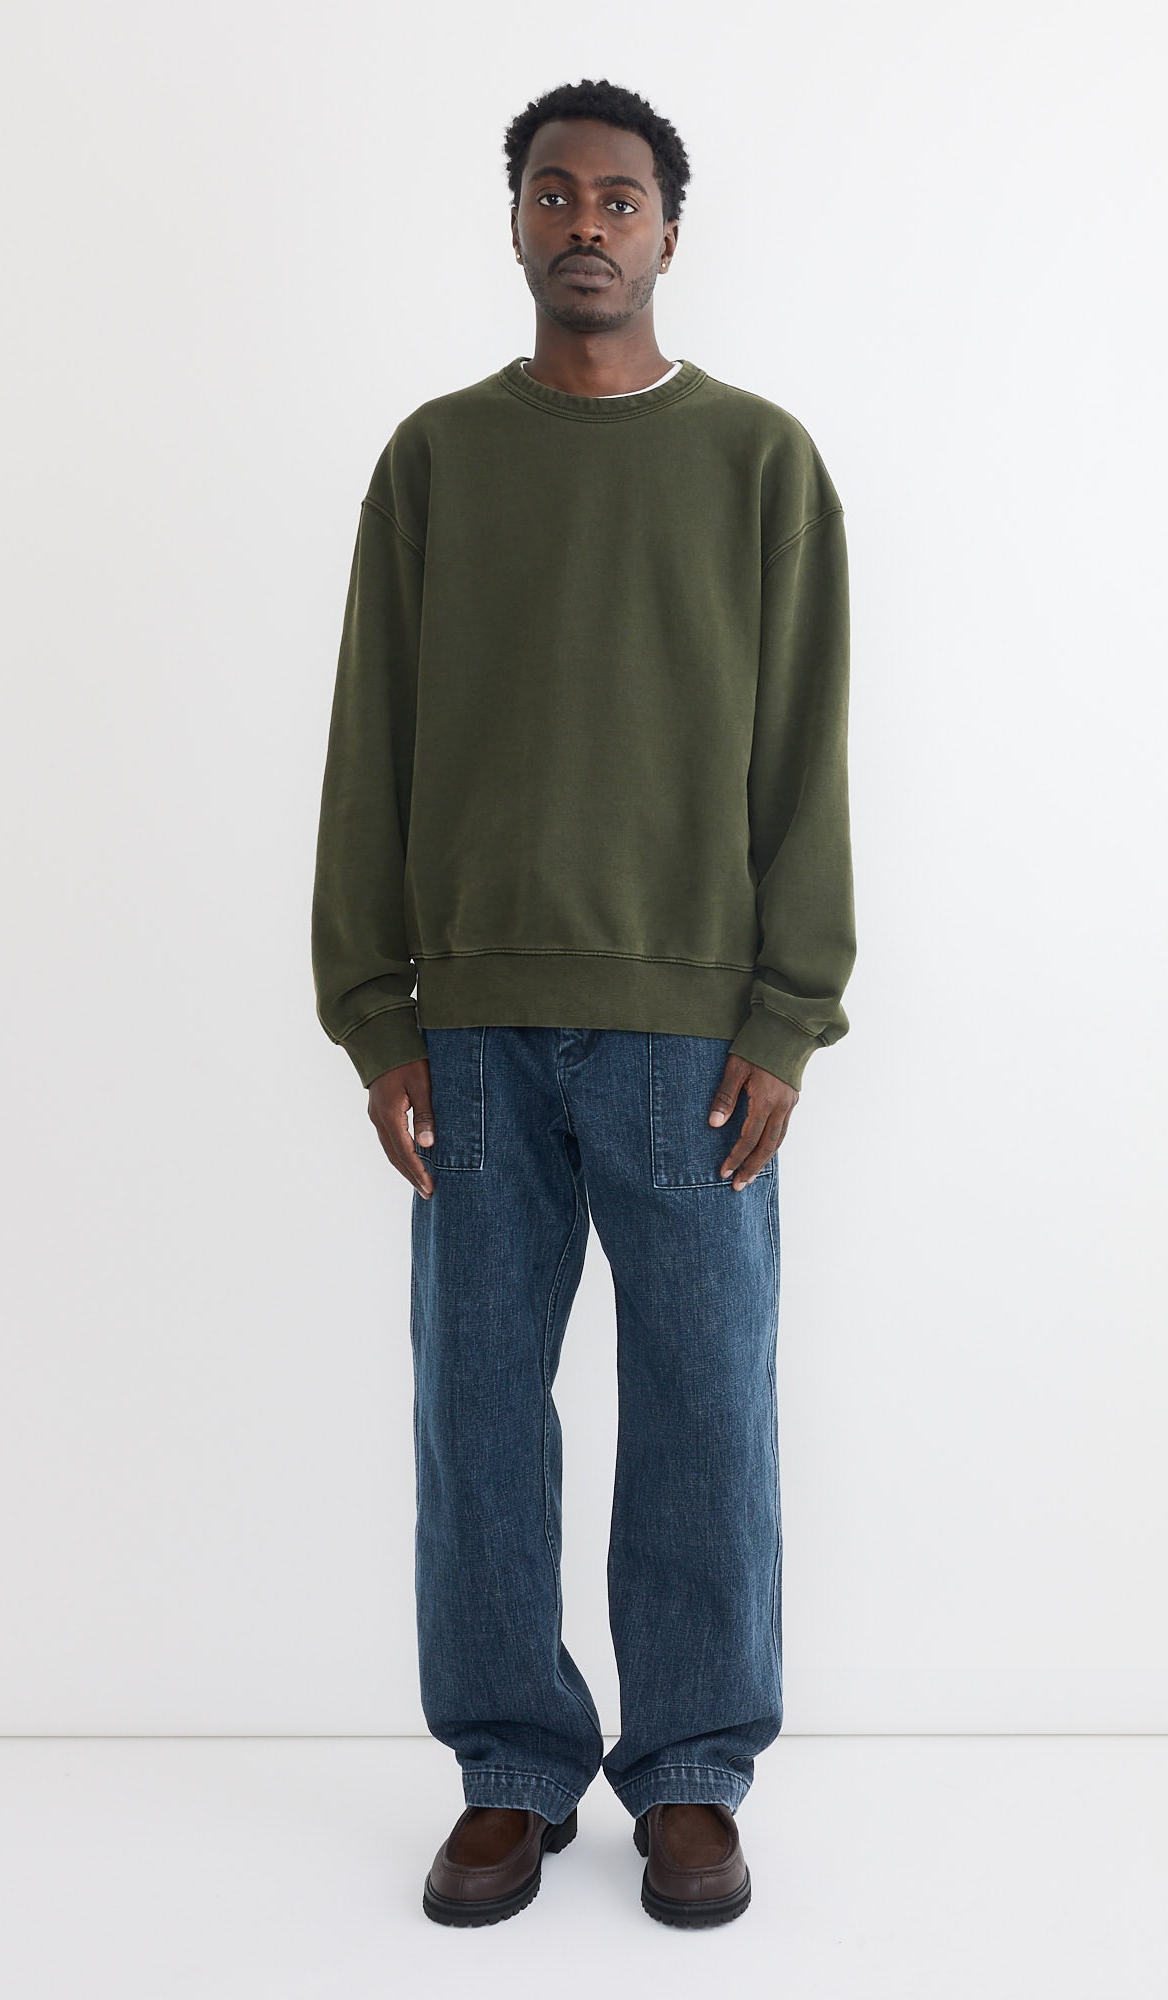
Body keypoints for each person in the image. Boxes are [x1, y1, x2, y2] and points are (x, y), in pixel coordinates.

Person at [311, 76, 855, 1930]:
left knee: (706, 1405)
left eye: (620, 196)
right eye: (555, 194)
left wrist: (787, 1014)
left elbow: (806, 762)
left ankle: (692, 1772)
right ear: (518, 223)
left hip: (691, 1035)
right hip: (467, 1021)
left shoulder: (761, 465)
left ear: (671, 231)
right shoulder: (438, 463)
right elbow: (367, 738)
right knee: (480, 1409)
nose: (587, 223)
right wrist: (370, 1009)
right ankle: (509, 1771)